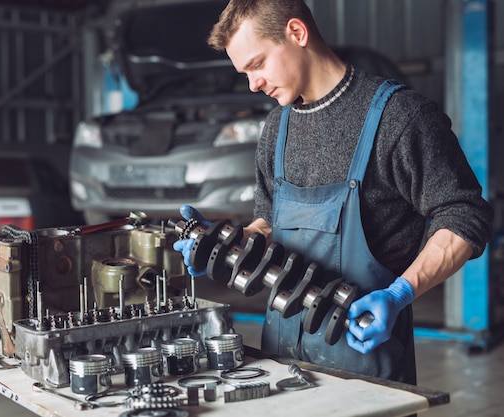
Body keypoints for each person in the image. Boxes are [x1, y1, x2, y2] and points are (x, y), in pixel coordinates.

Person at [173, 0, 493, 385]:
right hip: (281, 361)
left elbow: (465, 215)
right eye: (244, 72)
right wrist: (230, 243)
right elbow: (272, 222)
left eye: (257, 64)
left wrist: (400, 293)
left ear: (297, 33)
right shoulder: (276, 128)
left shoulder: (400, 117)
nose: (252, 83)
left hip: (365, 358)